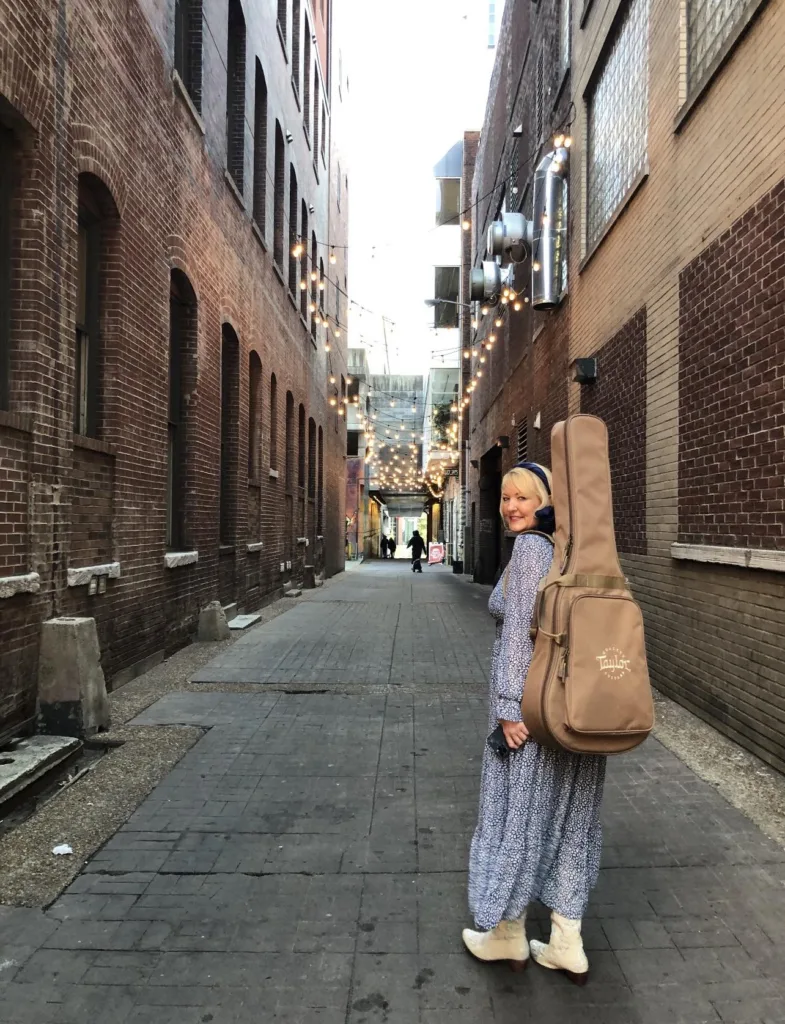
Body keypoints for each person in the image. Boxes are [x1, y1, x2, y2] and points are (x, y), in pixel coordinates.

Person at [462, 462, 606, 985]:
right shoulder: (573, 546)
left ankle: (507, 933)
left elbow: (520, 636)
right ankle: (568, 941)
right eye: (504, 497)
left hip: (532, 713)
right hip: (580, 713)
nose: (511, 506)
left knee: (518, 819)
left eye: (522, 496)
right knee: (570, 822)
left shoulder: (529, 551)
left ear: (545, 499)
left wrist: (506, 707)